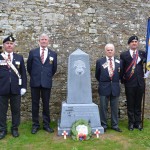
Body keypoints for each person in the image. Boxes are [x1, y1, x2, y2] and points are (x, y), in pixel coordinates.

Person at [27, 33, 57, 134]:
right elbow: (29, 68)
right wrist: (36, 76)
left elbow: (54, 69)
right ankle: (35, 125)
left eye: (45, 39)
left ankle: (46, 124)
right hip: (35, 82)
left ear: (48, 41)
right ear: (39, 41)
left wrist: (46, 77)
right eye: (42, 39)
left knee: (46, 104)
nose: (44, 41)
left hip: (46, 82)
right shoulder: (33, 52)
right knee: (35, 104)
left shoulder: (53, 54)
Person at [0, 34, 27, 140]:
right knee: (2, 111)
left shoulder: (19, 58)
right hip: (2, 89)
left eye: (11, 44)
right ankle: (2, 130)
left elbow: (23, 74)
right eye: (7, 43)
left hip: (16, 89)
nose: (9, 45)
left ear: (14, 45)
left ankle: (15, 129)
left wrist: (23, 87)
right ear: (3, 45)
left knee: (16, 110)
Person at [120, 36, 146, 131]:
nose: (134, 43)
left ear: (137, 43)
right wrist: (123, 80)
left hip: (140, 83)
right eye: (132, 42)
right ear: (129, 44)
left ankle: (138, 123)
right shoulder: (124, 55)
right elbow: (122, 69)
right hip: (130, 83)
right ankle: (131, 123)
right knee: (130, 104)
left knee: (138, 104)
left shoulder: (143, 53)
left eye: (136, 41)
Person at [95, 43, 122, 132]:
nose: (110, 51)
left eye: (111, 50)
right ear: (105, 51)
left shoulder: (119, 62)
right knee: (103, 107)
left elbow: (121, 75)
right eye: (108, 50)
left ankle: (115, 125)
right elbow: (97, 75)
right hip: (104, 87)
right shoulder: (100, 61)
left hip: (115, 87)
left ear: (114, 51)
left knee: (114, 108)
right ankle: (104, 125)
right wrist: (104, 82)